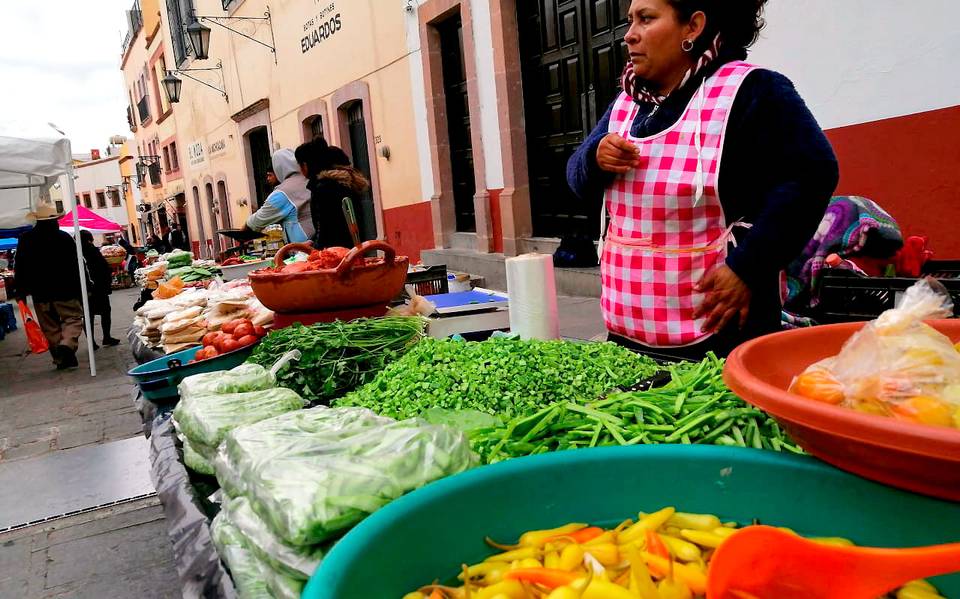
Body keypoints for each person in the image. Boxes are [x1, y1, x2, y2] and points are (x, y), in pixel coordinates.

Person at [566, 0, 838, 359]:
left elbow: (812, 174)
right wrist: (595, 157)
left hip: (718, 332)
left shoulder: (752, 91)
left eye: (646, 19)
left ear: (692, 27)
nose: (629, 35)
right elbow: (575, 179)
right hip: (629, 328)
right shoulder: (628, 104)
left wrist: (748, 267)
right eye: (630, 20)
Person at [14, 204, 85, 369]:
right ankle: (67, 344)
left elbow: (20, 266)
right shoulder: (64, 238)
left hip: (40, 292)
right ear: (54, 221)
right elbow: (76, 264)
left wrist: (20, 291)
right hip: (65, 289)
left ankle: (61, 359)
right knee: (72, 318)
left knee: (50, 327)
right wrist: (83, 286)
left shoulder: (26, 239)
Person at [304, 145, 370, 249]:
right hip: (356, 247)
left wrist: (315, 249)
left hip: (335, 252)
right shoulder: (350, 183)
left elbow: (325, 227)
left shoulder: (326, 187)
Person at [245, 149, 315, 243]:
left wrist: (242, 232)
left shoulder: (282, 192)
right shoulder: (308, 179)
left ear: (278, 168)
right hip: (318, 240)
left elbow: (257, 220)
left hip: (303, 247)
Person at [80, 230, 121, 348]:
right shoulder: (92, 250)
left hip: (85, 288)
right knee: (105, 311)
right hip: (98, 287)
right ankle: (106, 337)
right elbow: (102, 267)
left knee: (88, 316)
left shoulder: (76, 252)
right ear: (89, 239)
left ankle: (91, 342)